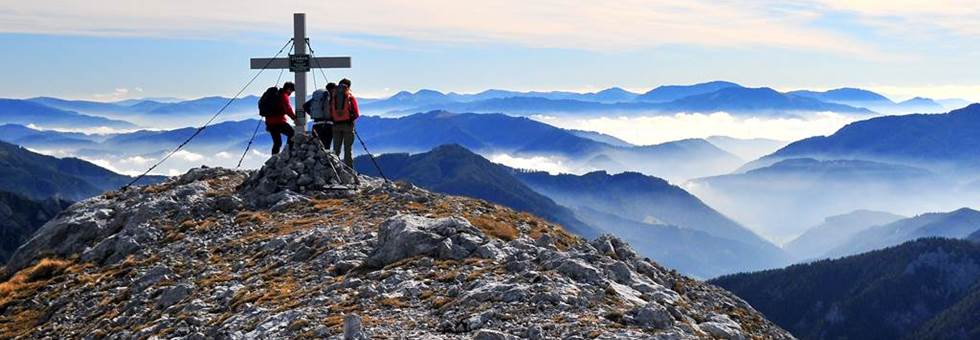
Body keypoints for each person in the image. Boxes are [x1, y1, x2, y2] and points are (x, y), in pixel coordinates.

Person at [330, 78, 359, 168]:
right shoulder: (350, 97)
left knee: (336, 150)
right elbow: (356, 114)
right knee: (347, 149)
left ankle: (335, 169)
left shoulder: (333, 97)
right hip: (348, 126)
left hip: (335, 126)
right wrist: (350, 120)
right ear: (349, 86)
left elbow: (330, 111)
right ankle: (349, 170)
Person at [267, 82, 297, 155]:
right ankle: (288, 152)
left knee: (277, 142)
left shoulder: (276, 95)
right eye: (292, 91)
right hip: (279, 121)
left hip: (269, 122)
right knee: (292, 133)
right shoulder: (284, 95)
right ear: (289, 89)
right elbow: (287, 108)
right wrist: (294, 118)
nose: (291, 93)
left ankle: (273, 159)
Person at [308, 82, 336, 150]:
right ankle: (325, 159)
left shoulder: (318, 98)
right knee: (326, 145)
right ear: (333, 89)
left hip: (316, 123)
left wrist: (314, 114)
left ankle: (314, 159)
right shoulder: (332, 98)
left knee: (316, 145)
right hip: (328, 124)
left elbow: (305, 106)